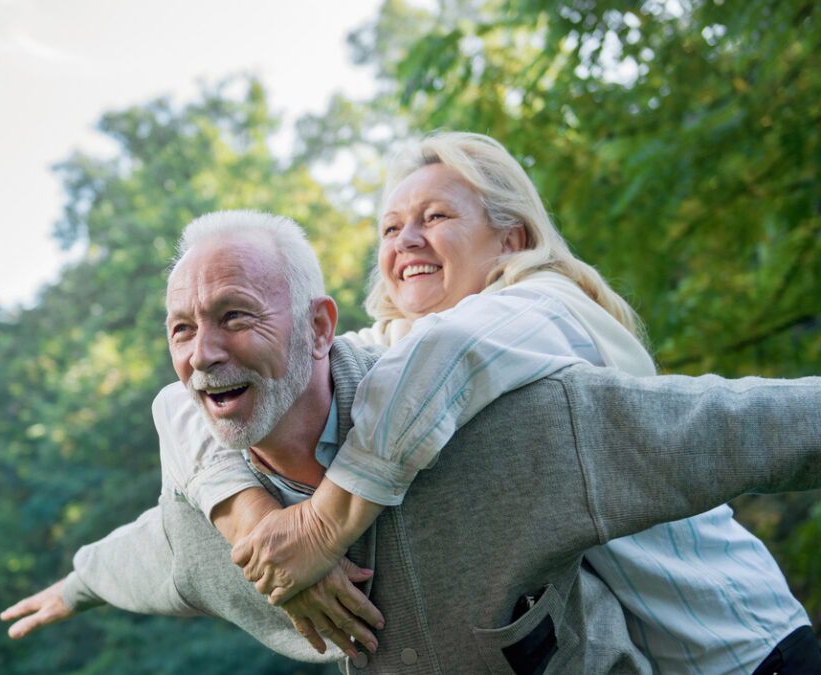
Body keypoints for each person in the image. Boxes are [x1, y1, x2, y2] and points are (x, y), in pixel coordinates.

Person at [2, 211, 821, 673]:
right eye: (181, 329)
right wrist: (78, 581)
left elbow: (729, 425)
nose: (202, 354)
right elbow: (152, 554)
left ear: (321, 327)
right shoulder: (209, 526)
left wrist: (324, 528)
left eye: (234, 315)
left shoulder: (501, 426)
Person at [170, 134, 819, 673]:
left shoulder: (549, 306)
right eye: (391, 227)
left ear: (510, 239)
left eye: (436, 217)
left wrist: (319, 528)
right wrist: (251, 518)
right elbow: (181, 402)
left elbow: (452, 351)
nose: (407, 240)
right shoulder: (401, 349)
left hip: (748, 652)